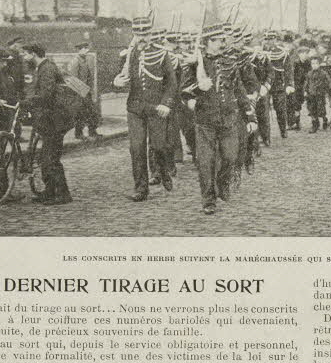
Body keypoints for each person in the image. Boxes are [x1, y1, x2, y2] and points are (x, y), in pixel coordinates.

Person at [182, 25, 257, 216]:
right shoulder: (193, 63)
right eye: (218, 40)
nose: (223, 43)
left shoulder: (230, 61)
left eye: (223, 40)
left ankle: (223, 182)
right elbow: (183, 91)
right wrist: (199, 89)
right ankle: (208, 200)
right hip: (205, 119)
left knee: (230, 157)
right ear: (208, 42)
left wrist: (250, 116)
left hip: (229, 118)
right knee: (205, 162)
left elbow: (239, 90)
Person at [113, 18, 175, 201]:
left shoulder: (162, 54)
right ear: (134, 35)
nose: (142, 38)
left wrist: (166, 103)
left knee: (158, 146)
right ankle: (141, 188)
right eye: (138, 34)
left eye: (145, 34)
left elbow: (171, 83)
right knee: (136, 147)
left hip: (156, 108)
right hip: (135, 108)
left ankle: (163, 170)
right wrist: (116, 82)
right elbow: (120, 77)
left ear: (150, 34)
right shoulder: (129, 54)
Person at [21, 43, 76, 206]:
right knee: (47, 157)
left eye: (26, 54)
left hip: (56, 121)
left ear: (34, 54)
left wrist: (28, 102)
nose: (24, 58)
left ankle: (62, 194)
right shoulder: (44, 67)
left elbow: (46, 94)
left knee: (51, 158)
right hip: (51, 120)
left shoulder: (47, 69)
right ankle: (50, 191)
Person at [68, 40, 100, 140]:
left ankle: (92, 132)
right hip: (80, 92)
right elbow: (74, 79)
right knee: (80, 113)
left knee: (91, 112)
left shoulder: (86, 60)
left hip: (87, 92)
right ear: (79, 50)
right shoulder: (75, 61)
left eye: (87, 48)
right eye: (84, 49)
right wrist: (81, 93)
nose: (86, 50)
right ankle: (79, 133)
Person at [304, 56, 331, 133]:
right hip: (311, 95)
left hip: (320, 94)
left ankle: (325, 119)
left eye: (316, 63)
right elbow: (307, 83)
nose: (314, 65)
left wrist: (325, 90)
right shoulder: (309, 73)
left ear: (319, 64)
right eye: (312, 63)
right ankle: (315, 125)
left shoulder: (323, 73)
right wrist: (305, 91)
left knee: (321, 109)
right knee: (312, 110)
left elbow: (328, 82)